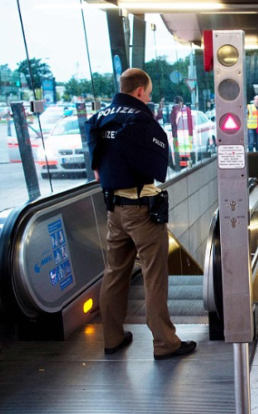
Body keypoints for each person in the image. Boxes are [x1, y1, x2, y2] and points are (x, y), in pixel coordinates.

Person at [86, 68, 196, 360]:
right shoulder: (140, 119)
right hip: (142, 210)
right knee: (154, 276)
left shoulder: (98, 119)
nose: (148, 99)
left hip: (114, 210)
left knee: (114, 274)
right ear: (139, 91)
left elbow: (97, 171)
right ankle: (165, 343)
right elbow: (155, 169)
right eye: (147, 94)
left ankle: (112, 338)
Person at [170, 95, 194, 166]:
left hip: (177, 136)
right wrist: (191, 134)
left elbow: (173, 123)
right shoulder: (188, 110)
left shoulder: (174, 111)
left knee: (178, 155)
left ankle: (180, 167)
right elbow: (191, 123)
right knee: (188, 154)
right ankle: (189, 166)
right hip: (188, 136)